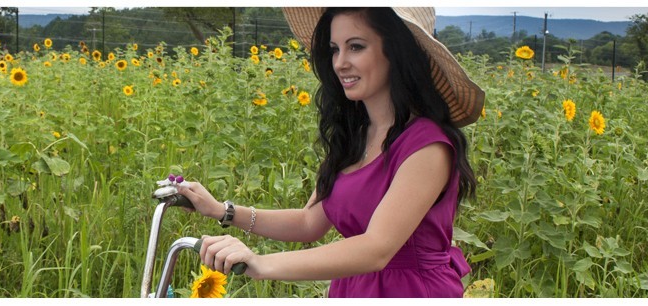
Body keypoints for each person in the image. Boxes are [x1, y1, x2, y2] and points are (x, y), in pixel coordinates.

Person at [175, 7, 484, 298]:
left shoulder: (428, 145)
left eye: (356, 47)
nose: (340, 63)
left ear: (397, 51)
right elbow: (309, 223)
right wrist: (222, 211)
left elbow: (377, 248)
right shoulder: (355, 137)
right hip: (353, 286)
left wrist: (259, 263)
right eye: (335, 49)